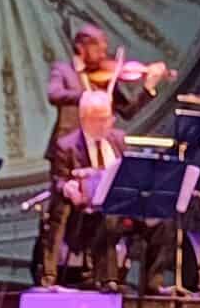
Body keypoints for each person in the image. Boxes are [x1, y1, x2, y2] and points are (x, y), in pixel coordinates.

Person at [37, 23, 168, 285]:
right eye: (98, 46)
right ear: (81, 47)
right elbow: (54, 94)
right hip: (72, 150)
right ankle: (51, 271)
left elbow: (127, 111)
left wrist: (148, 87)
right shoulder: (64, 70)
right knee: (61, 209)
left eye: (105, 47)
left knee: (123, 208)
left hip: (101, 149)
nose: (103, 53)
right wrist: (91, 97)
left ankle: (134, 280)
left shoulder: (107, 84)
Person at [46, 89, 184, 295]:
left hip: (125, 207)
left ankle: (153, 283)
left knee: (163, 222)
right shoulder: (66, 145)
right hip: (87, 214)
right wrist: (68, 187)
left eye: (108, 118)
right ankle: (108, 279)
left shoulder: (118, 139)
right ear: (84, 119)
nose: (107, 124)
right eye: (100, 119)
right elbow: (58, 180)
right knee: (108, 217)